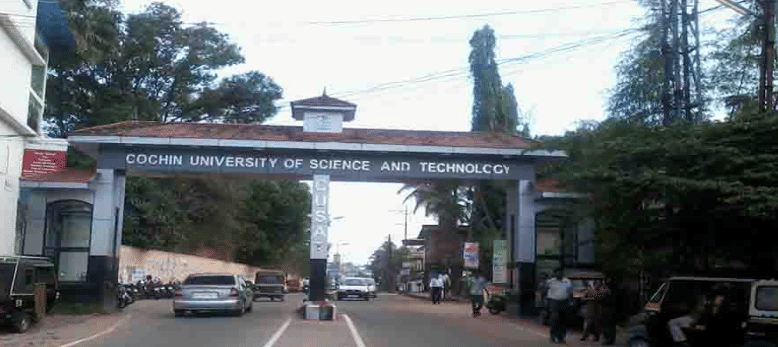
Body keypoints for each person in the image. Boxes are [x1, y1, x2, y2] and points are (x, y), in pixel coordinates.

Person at [546, 269, 573, 344]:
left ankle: (561, 337)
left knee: (563, 319)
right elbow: (546, 289)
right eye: (557, 273)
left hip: (564, 301)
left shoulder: (567, 281)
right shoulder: (551, 281)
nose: (559, 274)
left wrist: (570, 301)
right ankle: (553, 336)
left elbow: (569, 292)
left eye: (560, 273)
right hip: (554, 301)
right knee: (555, 318)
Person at [600, 277, 617, 345]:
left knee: (607, 324)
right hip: (611, 308)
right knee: (611, 325)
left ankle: (608, 338)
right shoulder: (613, 289)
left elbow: (602, 298)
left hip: (607, 309)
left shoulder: (607, 290)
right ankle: (611, 339)